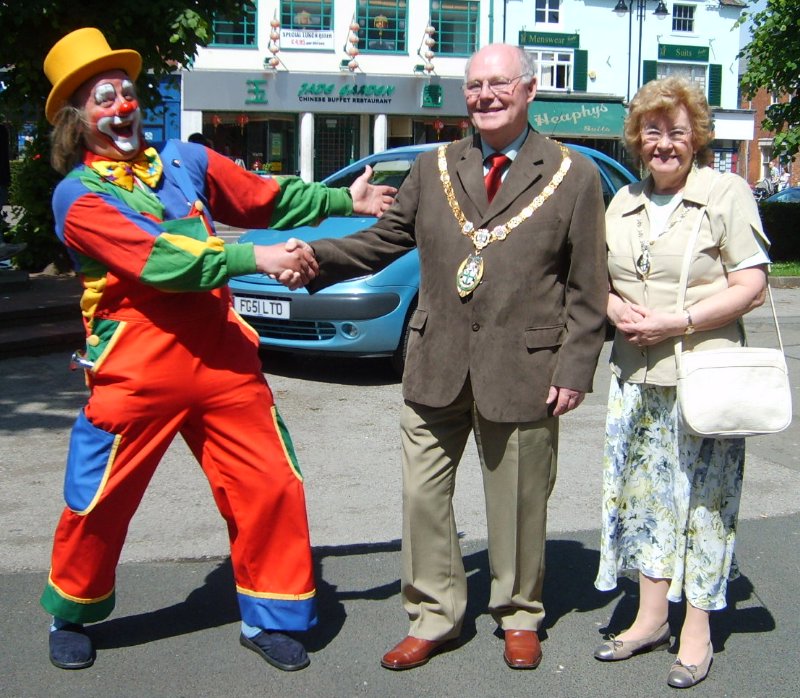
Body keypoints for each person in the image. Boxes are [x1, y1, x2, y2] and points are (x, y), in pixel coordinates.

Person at [40, 27, 395, 673]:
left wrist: (345, 197)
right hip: (135, 371)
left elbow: (261, 194)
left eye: (125, 91)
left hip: (223, 360)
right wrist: (257, 258)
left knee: (270, 482)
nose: (121, 107)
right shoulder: (78, 197)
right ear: (76, 120)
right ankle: (72, 608)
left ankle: (271, 615)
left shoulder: (183, 159)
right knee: (99, 496)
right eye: (102, 98)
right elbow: (161, 261)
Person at [305, 43, 608, 670]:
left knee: (519, 502)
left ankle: (518, 614)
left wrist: (575, 368)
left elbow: (587, 285)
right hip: (435, 361)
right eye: (474, 85)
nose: (485, 96)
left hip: (525, 368)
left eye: (499, 84)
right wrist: (314, 258)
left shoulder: (573, 173)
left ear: (529, 91)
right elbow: (385, 239)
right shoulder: (434, 166)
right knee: (423, 499)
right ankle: (433, 617)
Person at [593, 77, 769, 689]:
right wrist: (614, 309)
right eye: (652, 131)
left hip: (703, 380)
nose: (664, 143)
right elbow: (598, 280)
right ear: (637, 139)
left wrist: (679, 321)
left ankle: (696, 629)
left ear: (697, 137)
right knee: (644, 501)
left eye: (677, 131)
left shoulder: (725, 193)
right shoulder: (621, 201)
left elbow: (752, 284)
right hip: (636, 379)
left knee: (703, 504)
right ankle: (648, 618)